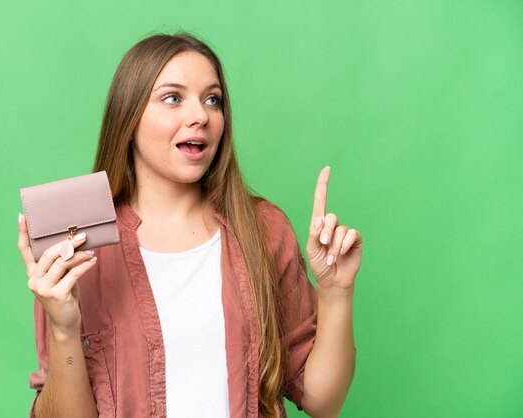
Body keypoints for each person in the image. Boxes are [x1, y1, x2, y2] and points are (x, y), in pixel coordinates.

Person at [18, 33, 363, 418]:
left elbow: (323, 401)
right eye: (173, 98)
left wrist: (335, 291)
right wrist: (64, 327)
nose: (201, 115)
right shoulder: (75, 242)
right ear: (128, 117)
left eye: (212, 99)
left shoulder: (263, 229)